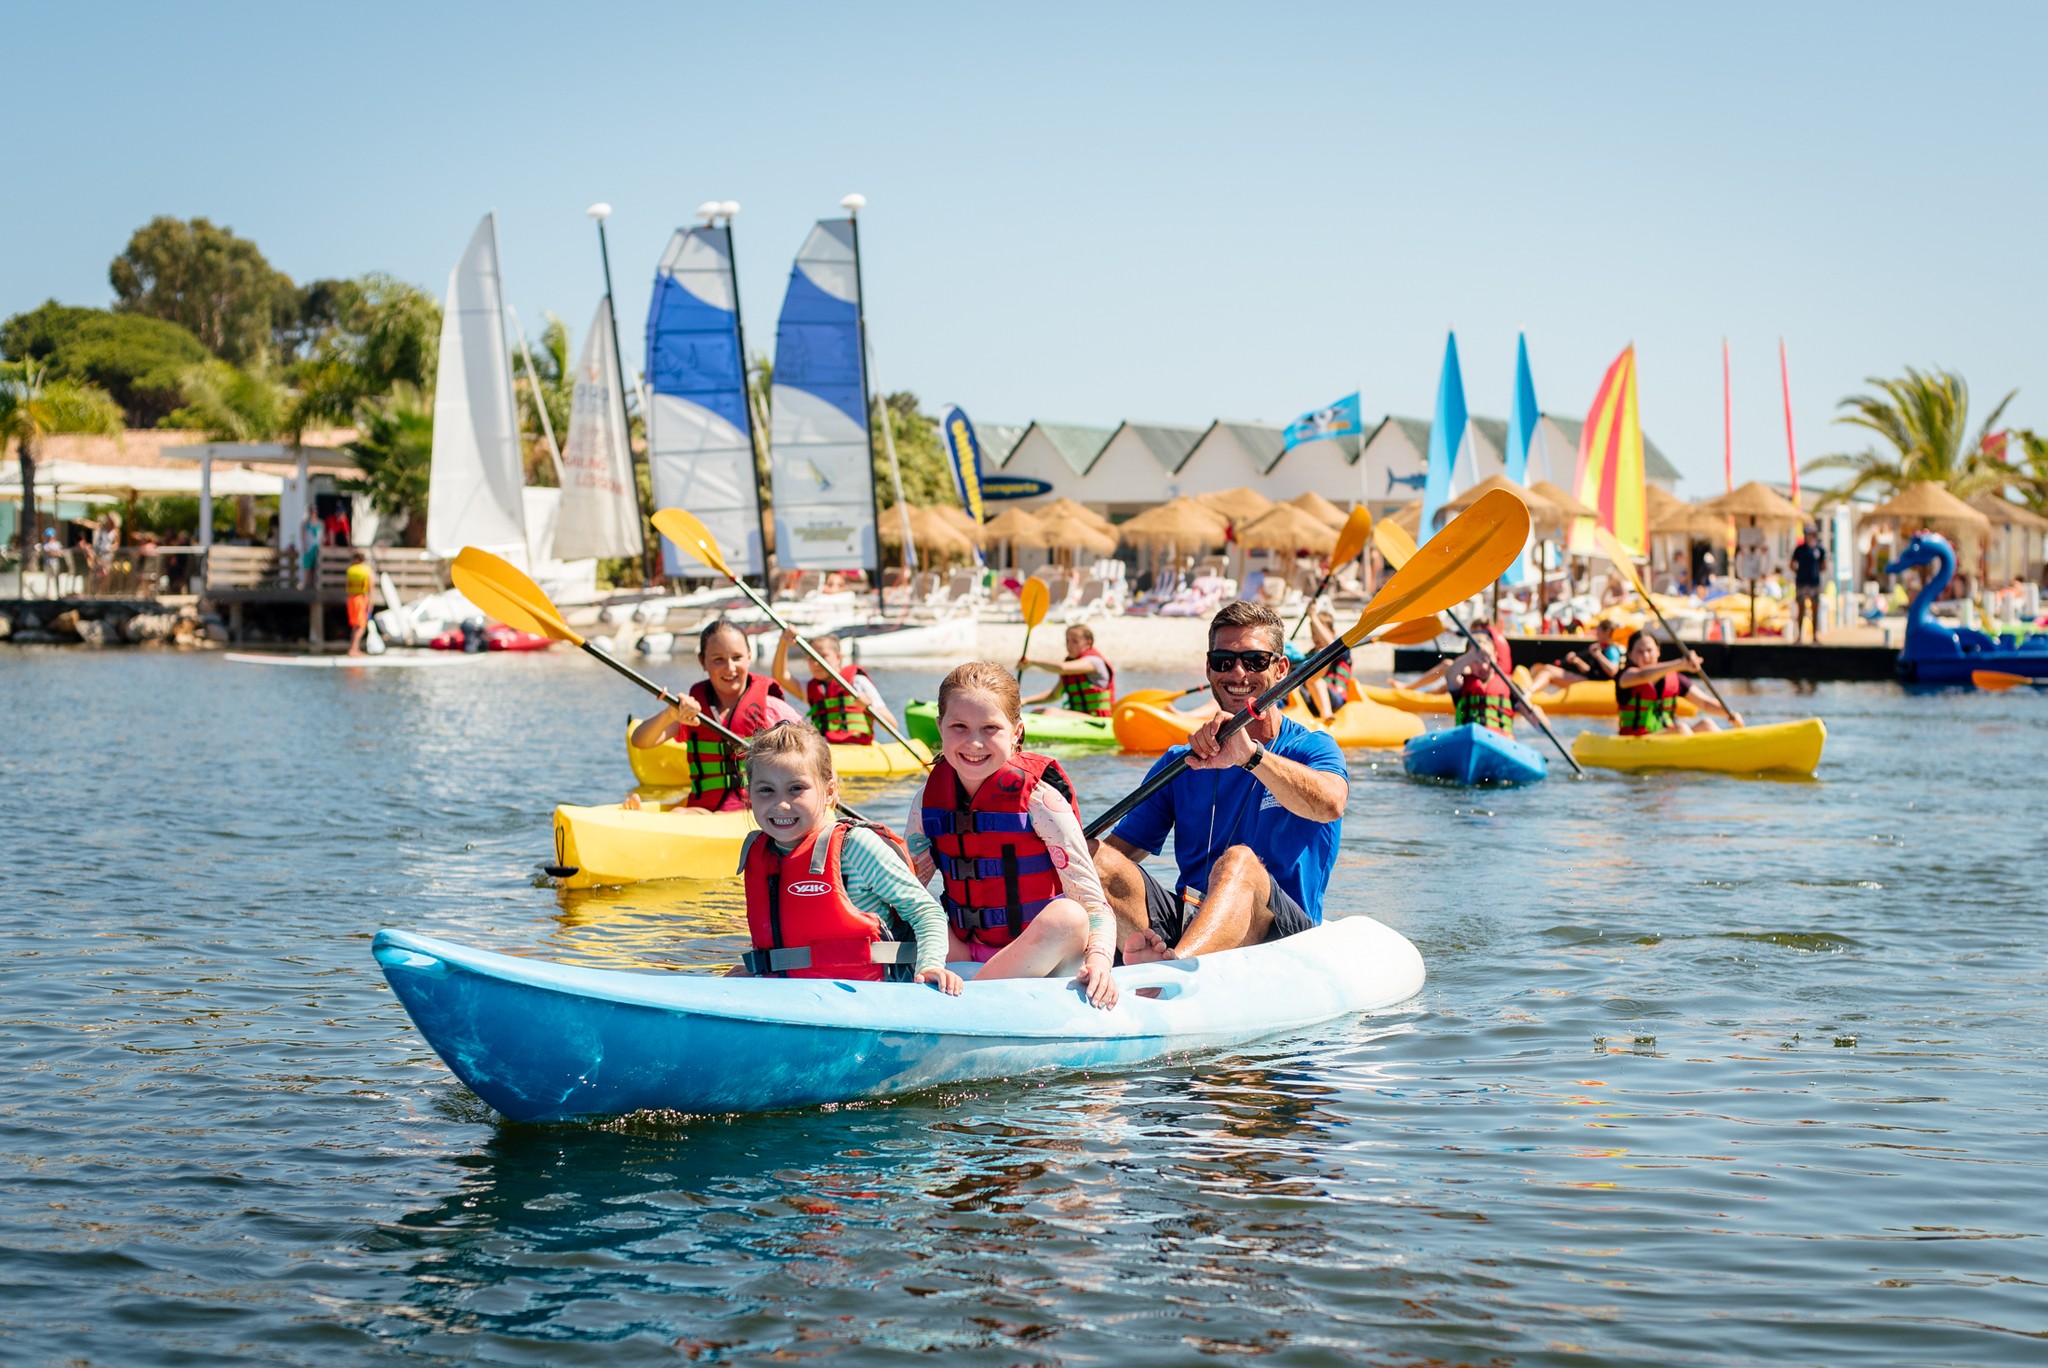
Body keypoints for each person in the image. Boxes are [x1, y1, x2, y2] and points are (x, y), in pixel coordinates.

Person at [1092, 600, 1348, 963]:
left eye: (1255, 660)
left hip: (1281, 932)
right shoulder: (1180, 762)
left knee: (1239, 861)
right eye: (1223, 662)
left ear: (1281, 669)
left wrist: (1251, 757)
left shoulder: (1312, 747)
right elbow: (1118, 854)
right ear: (1209, 669)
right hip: (1189, 919)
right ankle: (1150, 958)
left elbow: (1331, 804)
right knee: (1091, 856)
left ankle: (1176, 968)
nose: (1238, 673)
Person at [906, 661, 1117, 1008]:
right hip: (961, 950)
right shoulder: (926, 801)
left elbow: (1094, 904)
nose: (974, 742)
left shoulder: (1041, 801)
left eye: (990, 728)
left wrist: (1099, 961)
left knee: (1069, 917)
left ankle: (969, 1004)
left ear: (1016, 731)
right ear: (939, 727)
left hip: (1041, 957)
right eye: (959, 726)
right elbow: (909, 888)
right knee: (900, 897)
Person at [733, 721, 961, 993]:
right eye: (766, 790)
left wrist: (930, 965)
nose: (781, 804)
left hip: (869, 996)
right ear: (749, 797)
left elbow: (926, 912)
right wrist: (759, 968)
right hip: (792, 997)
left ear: (830, 793)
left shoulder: (854, 848)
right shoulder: (760, 853)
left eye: (796, 789)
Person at [625, 619, 806, 812]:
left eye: (737, 657)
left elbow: (813, 750)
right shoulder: (692, 713)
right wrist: (670, 714)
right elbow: (640, 741)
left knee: (681, 814)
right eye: (718, 659)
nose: (729, 668)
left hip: (759, 812)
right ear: (702, 661)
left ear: (749, 657)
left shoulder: (772, 708)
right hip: (704, 810)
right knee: (681, 813)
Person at [1406, 620, 1548, 734]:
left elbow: (1542, 728)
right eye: (1476, 661)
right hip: (1467, 740)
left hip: (1499, 744)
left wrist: (1538, 715)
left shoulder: (1510, 688)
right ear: (1468, 660)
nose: (1483, 667)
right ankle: (1416, 691)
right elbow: (1450, 674)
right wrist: (1473, 654)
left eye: (1487, 660)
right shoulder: (1461, 682)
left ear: (1495, 657)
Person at [770, 628, 901, 745]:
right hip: (826, 747)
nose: (815, 663)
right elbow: (780, 676)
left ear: (838, 657)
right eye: (811, 658)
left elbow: (892, 725)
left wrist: (869, 707)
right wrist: (783, 642)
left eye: (822, 657)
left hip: (857, 747)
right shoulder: (810, 688)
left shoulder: (858, 682)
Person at [1613, 631, 1743, 736]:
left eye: (1649, 650)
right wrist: (1680, 664)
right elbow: (1644, 675)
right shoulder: (1625, 676)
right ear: (1630, 655)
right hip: (1637, 740)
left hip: (1667, 736)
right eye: (1640, 652)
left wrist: (1729, 713)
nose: (1646, 656)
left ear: (1658, 651)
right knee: (1681, 729)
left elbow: (1705, 703)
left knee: (1706, 724)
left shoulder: (1675, 679)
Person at [1018, 623, 1117, 720]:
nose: (1069, 645)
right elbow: (1054, 695)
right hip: (1079, 718)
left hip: (1099, 720)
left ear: (1088, 643)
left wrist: (1032, 662)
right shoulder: (1071, 669)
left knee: (1051, 713)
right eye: (1067, 641)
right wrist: (1025, 701)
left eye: (1075, 641)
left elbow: (1063, 668)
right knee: (1037, 711)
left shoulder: (1094, 662)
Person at [1527, 617, 1625, 694]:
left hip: (1595, 685)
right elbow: (1592, 672)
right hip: (1590, 679)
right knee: (1547, 668)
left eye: (1598, 632)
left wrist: (1598, 655)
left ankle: (1528, 692)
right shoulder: (1602, 648)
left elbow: (1613, 671)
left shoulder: (1611, 650)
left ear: (1607, 632)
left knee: (1548, 672)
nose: (1596, 635)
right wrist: (1577, 661)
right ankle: (1532, 690)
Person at [1791, 528, 1826, 644]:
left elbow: (1824, 565)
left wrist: (1815, 572)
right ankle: (1799, 636)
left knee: (1815, 609)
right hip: (1802, 582)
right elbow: (1791, 564)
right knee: (1801, 609)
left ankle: (1814, 636)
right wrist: (1799, 573)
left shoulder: (1819, 549)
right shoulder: (1800, 549)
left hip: (1814, 583)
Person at [345, 551, 373, 657]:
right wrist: (370, 601)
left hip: (351, 598)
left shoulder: (350, 570)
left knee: (355, 625)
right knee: (361, 626)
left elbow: (347, 585)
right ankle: (353, 649)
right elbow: (371, 587)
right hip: (360, 598)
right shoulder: (367, 570)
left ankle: (353, 649)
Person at [300, 506, 323, 589]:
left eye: (315, 512)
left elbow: (322, 537)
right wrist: (303, 546)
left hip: (316, 548)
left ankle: (314, 585)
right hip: (308, 548)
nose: (313, 514)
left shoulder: (320, 523)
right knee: (307, 567)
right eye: (312, 512)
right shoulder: (305, 523)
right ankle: (306, 584)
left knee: (316, 567)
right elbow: (302, 536)